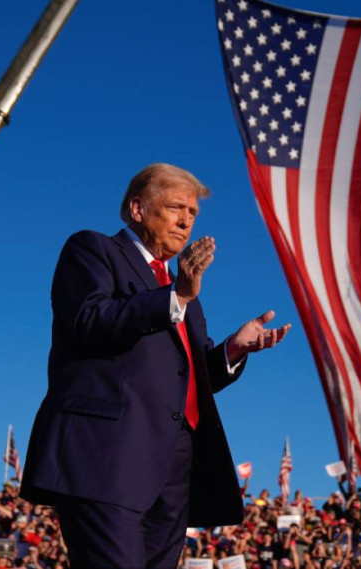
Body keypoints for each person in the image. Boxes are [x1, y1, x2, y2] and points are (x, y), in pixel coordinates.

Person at [21, 163, 291, 568]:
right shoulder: (93, 250)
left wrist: (233, 350)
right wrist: (175, 296)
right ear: (138, 209)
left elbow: (188, 376)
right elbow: (89, 320)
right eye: (176, 207)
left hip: (173, 469)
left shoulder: (183, 293)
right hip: (106, 458)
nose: (186, 221)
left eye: (193, 213)